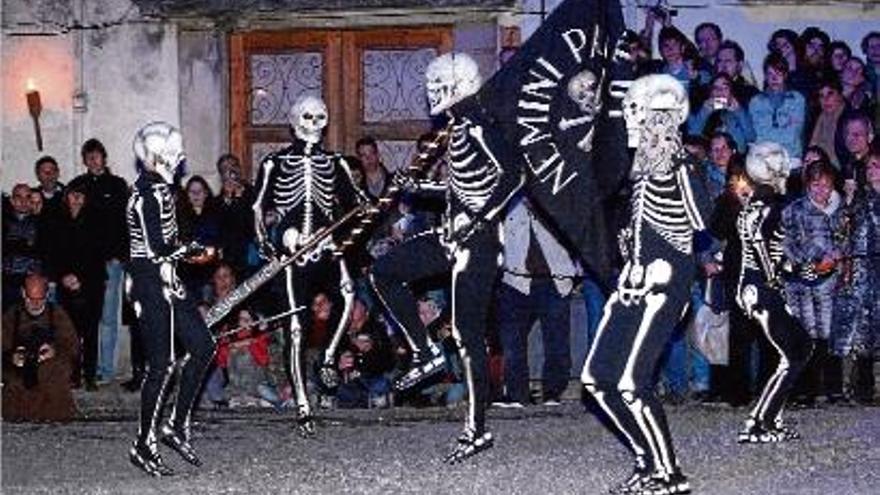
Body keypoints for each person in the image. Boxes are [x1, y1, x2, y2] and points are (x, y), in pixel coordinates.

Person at [370, 52, 523, 463]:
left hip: (478, 243)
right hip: (450, 236)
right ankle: (424, 352)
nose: (431, 92)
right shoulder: (459, 128)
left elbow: (514, 174)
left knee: (468, 336)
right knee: (383, 271)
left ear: (457, 85)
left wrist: (480, 221)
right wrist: (418, 186)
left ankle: (476, 429)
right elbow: (459, 192)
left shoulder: (477, 125)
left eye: (438, 84)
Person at [581, 75, 711, 495]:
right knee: (596, 378)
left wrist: (680, 164)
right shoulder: (637, 171)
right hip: (632, 280)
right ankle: (646, 457)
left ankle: (670, 474)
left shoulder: (680, 165)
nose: (632, 119)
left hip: (665, 283)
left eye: (640, 111)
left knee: (632, 382)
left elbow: (700, 220)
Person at [252, 95, 365, 436]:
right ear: (293, 121)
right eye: (306, 117)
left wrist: (343, 229)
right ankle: (302, 404)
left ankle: (329, 355)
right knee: (296, 328)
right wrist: (272, 244)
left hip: (326, 245)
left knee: (347, 293)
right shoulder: (274, 163)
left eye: (320, 118)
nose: (313, 124)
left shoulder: (336, 163)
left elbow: (357, 205)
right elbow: (258, 208)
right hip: (292, 253)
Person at [126, 122, 216, 476]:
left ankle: (175, 425)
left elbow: (168, 245)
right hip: (149, 284)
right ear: (157, 158)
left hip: (168, 279)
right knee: (161, 365)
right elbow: (156, 248)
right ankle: (142, 444)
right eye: (174, 156)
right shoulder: (146, 195)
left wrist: (188, 251)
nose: (180, 161)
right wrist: (191, 249)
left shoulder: (164, 191)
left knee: (204, 346)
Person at [734, 142, 812, 443]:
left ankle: (771, 418)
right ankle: (758, 423)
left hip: (756, 286)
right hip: (761, 289)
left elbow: (767, 250)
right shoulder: (772, 206)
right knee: (795, 352)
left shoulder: (758, 203)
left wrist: (792, 271)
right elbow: (760, 247)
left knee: (797, 349)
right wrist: (775, 278)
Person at [495, 196, 579, 407]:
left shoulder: (558, 194)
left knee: (556, 342)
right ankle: (516, 394)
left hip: (554, 279)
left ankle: (552, 392)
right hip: (515, 279)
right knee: (512, 341)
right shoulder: (510, 198)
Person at [782, 160, 846, 406]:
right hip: (803, 283)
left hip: (832, 283)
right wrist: (813, 261)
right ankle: (803, 390)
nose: (821, 191)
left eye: (826, 185)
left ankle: (833, 388)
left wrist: (839, 256)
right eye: (816, 185)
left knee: (831, 335)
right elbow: (787, 244)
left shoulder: (841, 210)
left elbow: (845, 239)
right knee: (806, 335)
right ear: (808, 185)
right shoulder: (794, 210)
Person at [68, 138, 129, 384]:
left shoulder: (117, 185)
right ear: (84, 160)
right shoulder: (78, 185)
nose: (93, 160)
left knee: (108, 317)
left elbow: (125, 223)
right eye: (89, 156)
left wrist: (120, 255)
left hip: (111, 262)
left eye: (97, 155)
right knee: (82, 317)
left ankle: (106, 369)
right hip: (83, 264)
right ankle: (83, 368)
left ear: (104, 158)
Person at [43, 182, 106, 391]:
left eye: (81, 195)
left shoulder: (96, 220)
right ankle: (73, 375)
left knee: (90, 331)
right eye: (73, 195)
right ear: (66, 197)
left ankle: (89, 376)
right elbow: (53, 252)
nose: (77, 199)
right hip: (65, 282)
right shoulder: (57, 220)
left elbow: (99, 255)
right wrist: (63, 276)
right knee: (68, 331)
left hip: (92, 283)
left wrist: (82, 279)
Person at [831, 148, 880, 404]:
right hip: (862, 269)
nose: (873, 171)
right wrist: (847, 203)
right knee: (863, 327)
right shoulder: (858, 199)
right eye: (870, 166)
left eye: (877, 166)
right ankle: (862, 386)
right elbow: (839, 233)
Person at [2, 274, 79, 422]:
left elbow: (72, 345)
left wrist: (55, 350)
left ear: (47, 295)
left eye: (40, 300)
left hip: (49, 366)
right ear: (24, 294)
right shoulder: (13, 315)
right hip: (21, 367)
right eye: (31, 299)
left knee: (54, 373)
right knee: (15, 383)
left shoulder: (56, 314)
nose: (35, 304)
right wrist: (11, 356)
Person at [749, 53, 807, 164]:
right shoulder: (756, 102)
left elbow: (792, 135)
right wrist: (785, 127)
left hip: (790, 158)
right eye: (769, 74)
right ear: (765, 76)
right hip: (762, 158)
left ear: (785, 75)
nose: (774, 78)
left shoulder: (797, 99)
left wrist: (768, 134)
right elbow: (758, 134)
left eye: (778, 73)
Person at [2, 184, 43, 311]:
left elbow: (42, 250)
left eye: (28, 197)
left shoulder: (41, 222)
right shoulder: (4, 220)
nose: (24, 202)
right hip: (7, 280)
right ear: (12, 200)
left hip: (33, 282)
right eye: (19, 197)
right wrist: (25, 245)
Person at [715, 40, 760, 107]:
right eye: (720, 61)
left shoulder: (750, 92)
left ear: (740, 65)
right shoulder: (707, 90)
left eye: (728, 61)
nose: (723, 65)